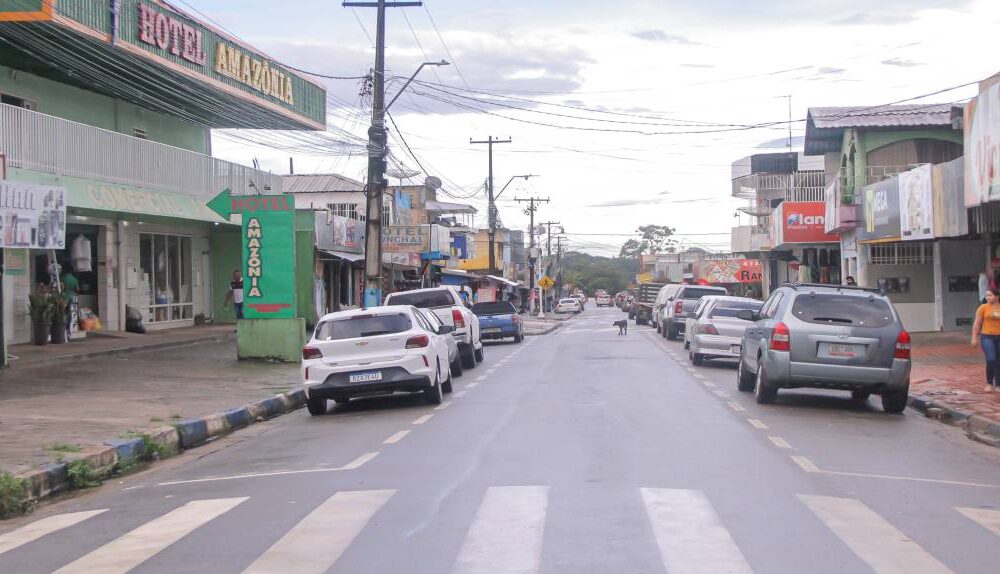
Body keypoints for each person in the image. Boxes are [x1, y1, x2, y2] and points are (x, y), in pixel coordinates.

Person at [972, 288, 1000, 393]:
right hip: (987, 336)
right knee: (991, 359)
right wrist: (974, 337)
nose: (987, 297)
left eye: (990, 295)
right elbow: (977, 323)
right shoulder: (983, 308)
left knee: (999, 361)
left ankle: (998, 385)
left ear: (997, 297)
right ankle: (989, 383)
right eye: (986, 296)